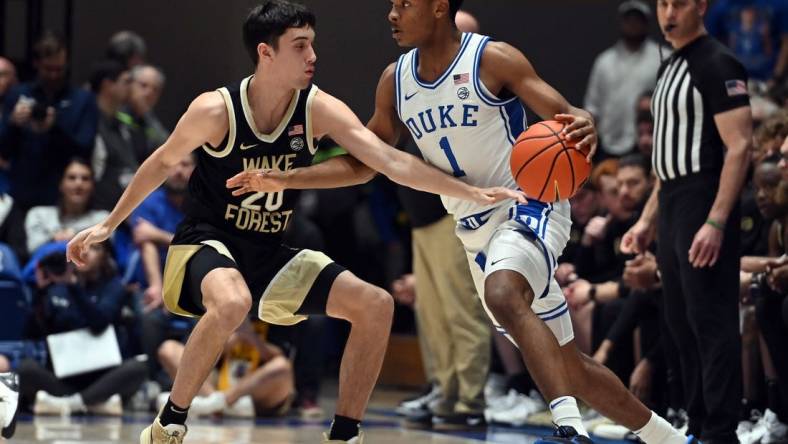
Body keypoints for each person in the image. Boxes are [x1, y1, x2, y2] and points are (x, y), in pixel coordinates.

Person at [234, 1, 693, 443]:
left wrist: (585, 122)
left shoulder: (492, 58)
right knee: (566, 364)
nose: (392, 14)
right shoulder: (395, 81)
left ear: (438, 6)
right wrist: (287, 179)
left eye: (404, 4)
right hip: (473, 227)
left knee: (503, 292)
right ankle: (667, 439)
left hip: (527, 201)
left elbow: (568, 115)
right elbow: (364, 163)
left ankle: (568, 430)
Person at [66, 2, 520, 443]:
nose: (313, 56)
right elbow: (161, 162)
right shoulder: (216, 110)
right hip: (205, 243)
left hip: (268, 253)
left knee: (376, 305)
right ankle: (168, 426)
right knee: (231, 301)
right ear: (266, 53)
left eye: (313, 44)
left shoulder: (316, 107)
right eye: (300, 46)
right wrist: (109, 225)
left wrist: (469, 191)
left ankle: (345, 435)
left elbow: (386, 159)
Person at [622, 0, 754, 442]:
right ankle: (696, 421)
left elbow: (739, 147)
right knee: (679, 321)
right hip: (674, 198)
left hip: (704, 196)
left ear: (701, 6)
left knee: (711, 319)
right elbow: (664, 164)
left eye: (678, 3)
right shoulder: (666, 70)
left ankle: (721, 430)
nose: (667, 13)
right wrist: (645, 221)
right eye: (662, 3)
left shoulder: (719, 62)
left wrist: (716, 221)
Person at [0, 32, 98, 209]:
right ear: (36, 64)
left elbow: (84, 149)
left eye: (58, 69)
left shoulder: (83, 100)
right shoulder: (18, 95)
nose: (53, 75)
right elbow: (4, 151)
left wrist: (54, 129)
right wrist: (13, 123)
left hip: (63, 197)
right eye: (48, 69)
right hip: (22, 191)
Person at [584, 0, 663, 157]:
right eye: (629, 20)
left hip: (646, 144)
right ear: (621, 23)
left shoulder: (662, 57)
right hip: (607, 143)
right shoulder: (604, 61)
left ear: (646, 23)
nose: (633, 24)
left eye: (637, 20)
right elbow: (592, 107)